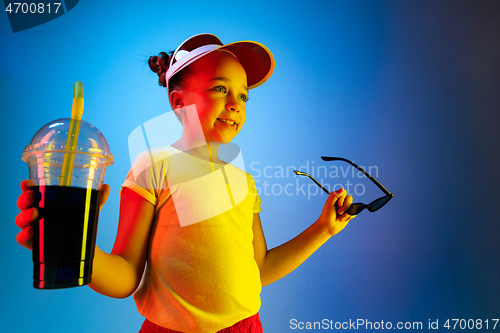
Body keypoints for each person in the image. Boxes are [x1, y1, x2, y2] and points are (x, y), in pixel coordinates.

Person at [15, 33, 356, 333]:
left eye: (243, 95)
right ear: (178, 101)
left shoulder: (245, 182)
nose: (235, 104)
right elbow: (125, 278)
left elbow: (258, 269)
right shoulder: (154, 166)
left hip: (246, 328)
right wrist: (71, 246)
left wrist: (323, 229)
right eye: (221, 89)